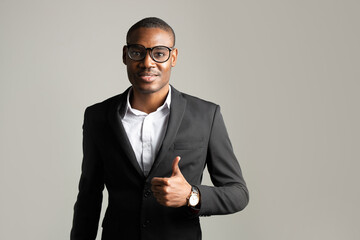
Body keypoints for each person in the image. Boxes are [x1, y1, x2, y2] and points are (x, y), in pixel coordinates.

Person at [71, 17, 249, 240]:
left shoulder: (206, 115)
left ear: (173, 58)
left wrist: (191, 195)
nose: (147, 62)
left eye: (159, 53)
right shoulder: (98, 117)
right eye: (138, 52)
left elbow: (238, 193)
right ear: (125, 55)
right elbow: (89, 195)